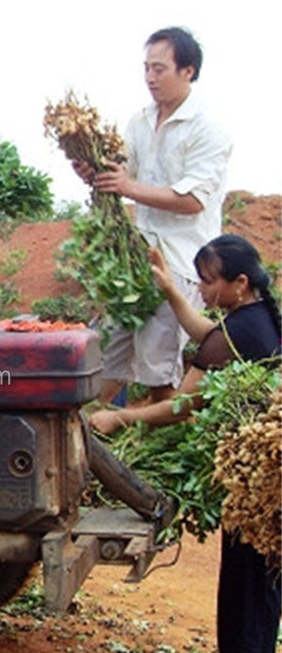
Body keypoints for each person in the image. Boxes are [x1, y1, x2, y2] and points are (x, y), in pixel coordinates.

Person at [89, 234, 282, 653]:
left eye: (208, 281)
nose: (202, 289)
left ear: (240, 283)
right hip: (266, 482)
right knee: (263, 586)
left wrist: (120, 419)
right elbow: (205, 335)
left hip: (257, 486)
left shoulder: (239, 332)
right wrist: (171, 289)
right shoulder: (253, 319)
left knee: (244, 589)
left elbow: (182, 407)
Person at [74, 26, 232, 405]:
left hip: (178, 263)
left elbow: (193, 199)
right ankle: (93, 449)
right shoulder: (141, 120)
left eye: (159, 69)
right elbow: (122, 171)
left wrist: (126, 186)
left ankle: (150, 456)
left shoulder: (207, 129)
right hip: (136, 262)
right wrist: (95, 173)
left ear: (188, 71)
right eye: (146, 68)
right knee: (107, 361)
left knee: (157, 370)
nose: (149, 78)